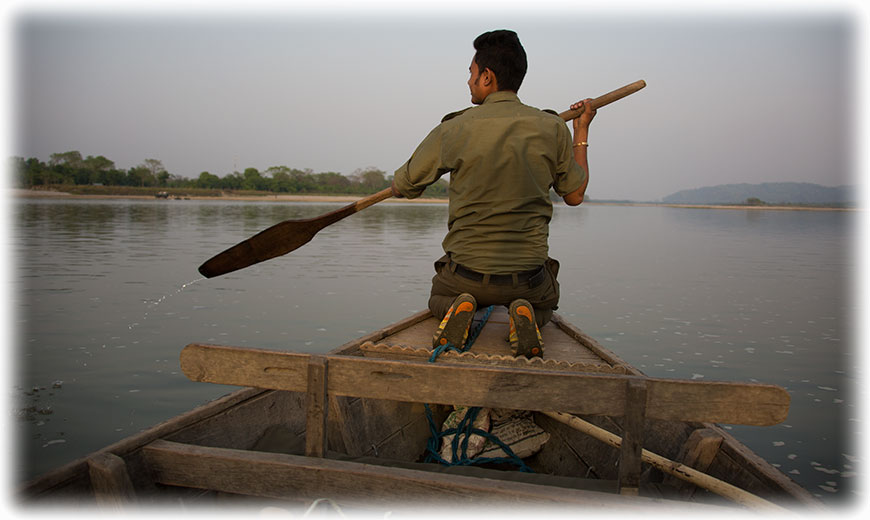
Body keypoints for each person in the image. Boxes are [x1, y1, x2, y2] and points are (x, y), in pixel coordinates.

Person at [391, 29, 595, 358]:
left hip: (465, 277)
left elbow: (405, 185)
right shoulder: (552, 127)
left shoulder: (454, 127)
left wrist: (396, 184)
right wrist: (580, 129)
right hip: (527, 279)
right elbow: (575, 194)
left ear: (487, 77)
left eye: (471, 74)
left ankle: (460, 306)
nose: (469, 82)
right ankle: (525, 311)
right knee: (547, 304)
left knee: (437, 300)